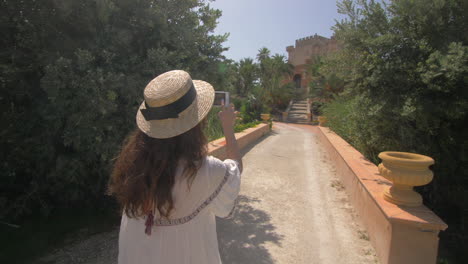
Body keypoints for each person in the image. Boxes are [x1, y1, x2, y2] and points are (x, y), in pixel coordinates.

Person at [108, 70, 242, 264]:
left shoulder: (132, 163)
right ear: (197, 121)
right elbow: (235, 169)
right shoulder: (206, 172)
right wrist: (229, 129)